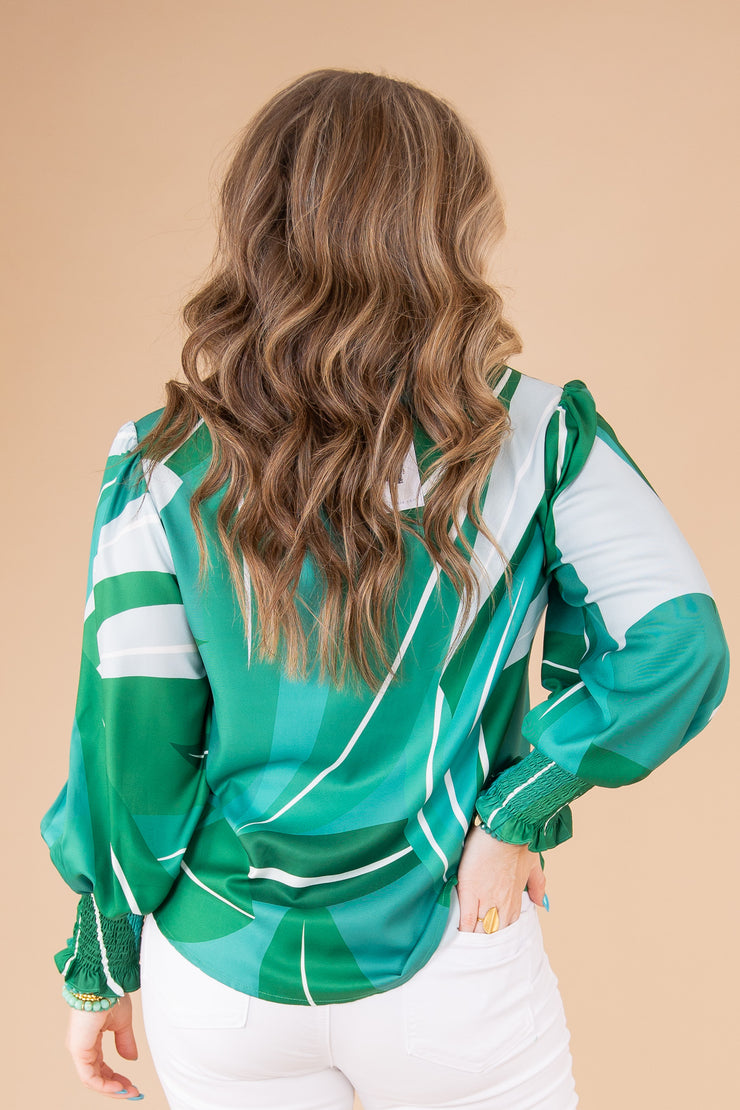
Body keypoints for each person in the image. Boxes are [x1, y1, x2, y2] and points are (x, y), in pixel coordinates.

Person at [40, 68, 730, 1110]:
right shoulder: (537, 437)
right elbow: (679, 645)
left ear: (258, 229)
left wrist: (99, 961)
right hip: (453, 949)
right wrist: (516, 812)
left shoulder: (161, 462)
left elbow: (126, 737)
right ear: (445, 231)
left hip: (223, 970)